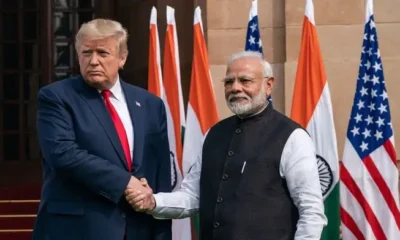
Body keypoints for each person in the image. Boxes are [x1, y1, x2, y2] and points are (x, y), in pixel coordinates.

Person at [126, 51, 327, 240]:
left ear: (269, 85)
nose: (236, 87)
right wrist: (153, 201)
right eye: (229, 81)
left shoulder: (292, 137)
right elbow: (192, 196)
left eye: (245, 80)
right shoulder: (214, 134)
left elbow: (311, 211)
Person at [32, 19, 172, 240]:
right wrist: (126, 181)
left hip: (138, 228)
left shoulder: (150, 104)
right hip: (77, 230)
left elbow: (160, 170)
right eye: (87, 53)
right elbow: (63, 154)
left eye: (103, 53)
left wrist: (161, 225)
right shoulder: (56, 97)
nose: (94, 61)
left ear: (122, 58)